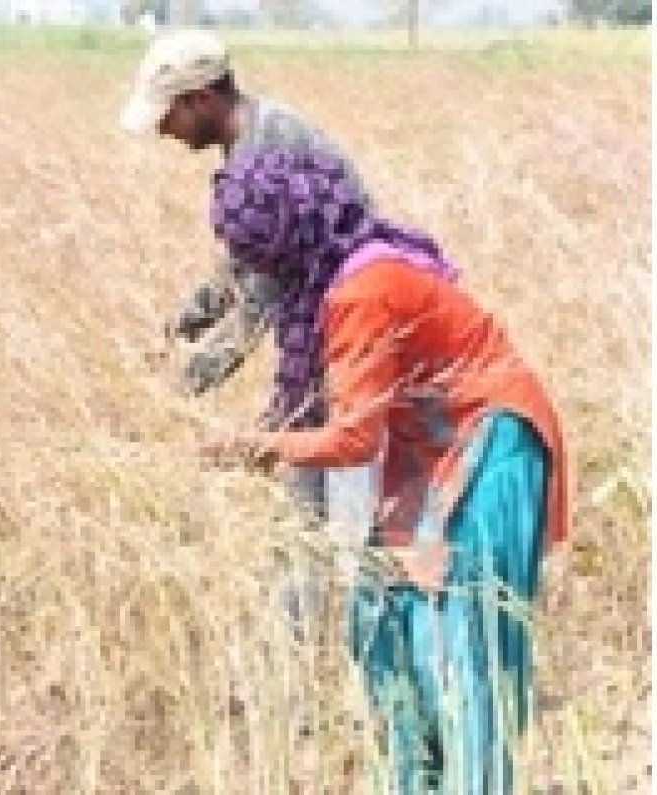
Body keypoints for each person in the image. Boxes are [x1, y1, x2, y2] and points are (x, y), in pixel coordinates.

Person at [204, 146, 569, 794]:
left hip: (491, 446)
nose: (257, 277)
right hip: (433, 449)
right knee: (383, 615)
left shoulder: (364, 290)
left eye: (259, 258)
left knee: (465, 651)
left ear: (290, 244)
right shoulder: (354, 272)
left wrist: (257, 448)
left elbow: (352, 438)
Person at [120, 29, 369, 522]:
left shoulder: (266, 156)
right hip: (324, 335)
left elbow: (257, 303)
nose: (164, 130)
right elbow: (241, 265)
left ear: (201, 100)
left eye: (167, 115)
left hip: (349, 342)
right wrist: (179, 328)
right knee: (309, 513)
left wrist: (174, 391)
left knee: (320, 519)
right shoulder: (255, 136)